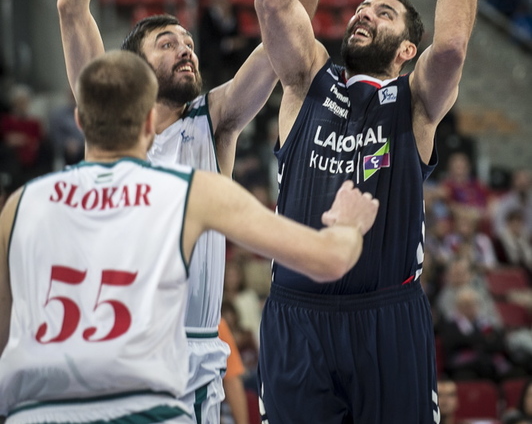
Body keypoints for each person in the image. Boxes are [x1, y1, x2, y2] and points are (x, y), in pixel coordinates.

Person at [56, 0, 340, 424]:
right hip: (117, 348)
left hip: (192, 354)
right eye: (166, 42)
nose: (185, 48)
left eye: (188, 41)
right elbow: (71, 8)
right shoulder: (106, 117)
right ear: (131, 64)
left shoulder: (214, 120)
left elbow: (280, 51)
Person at [0, 50, 380, 422]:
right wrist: (348, 225)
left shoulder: (21, 205)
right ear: (150, 121)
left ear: (80, 121)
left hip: (35, 409)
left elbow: (4, 335)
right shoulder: (189, 191)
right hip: (141, 406)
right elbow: (329, 260)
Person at [254, 0, 486, 423]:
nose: (363, 14)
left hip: (388, 313)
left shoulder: (413, 103)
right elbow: (272, 2)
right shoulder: (307, 80)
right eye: (360, 9)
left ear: (407, 49)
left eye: (382, 14)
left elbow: (454, 43)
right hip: (298, 314)